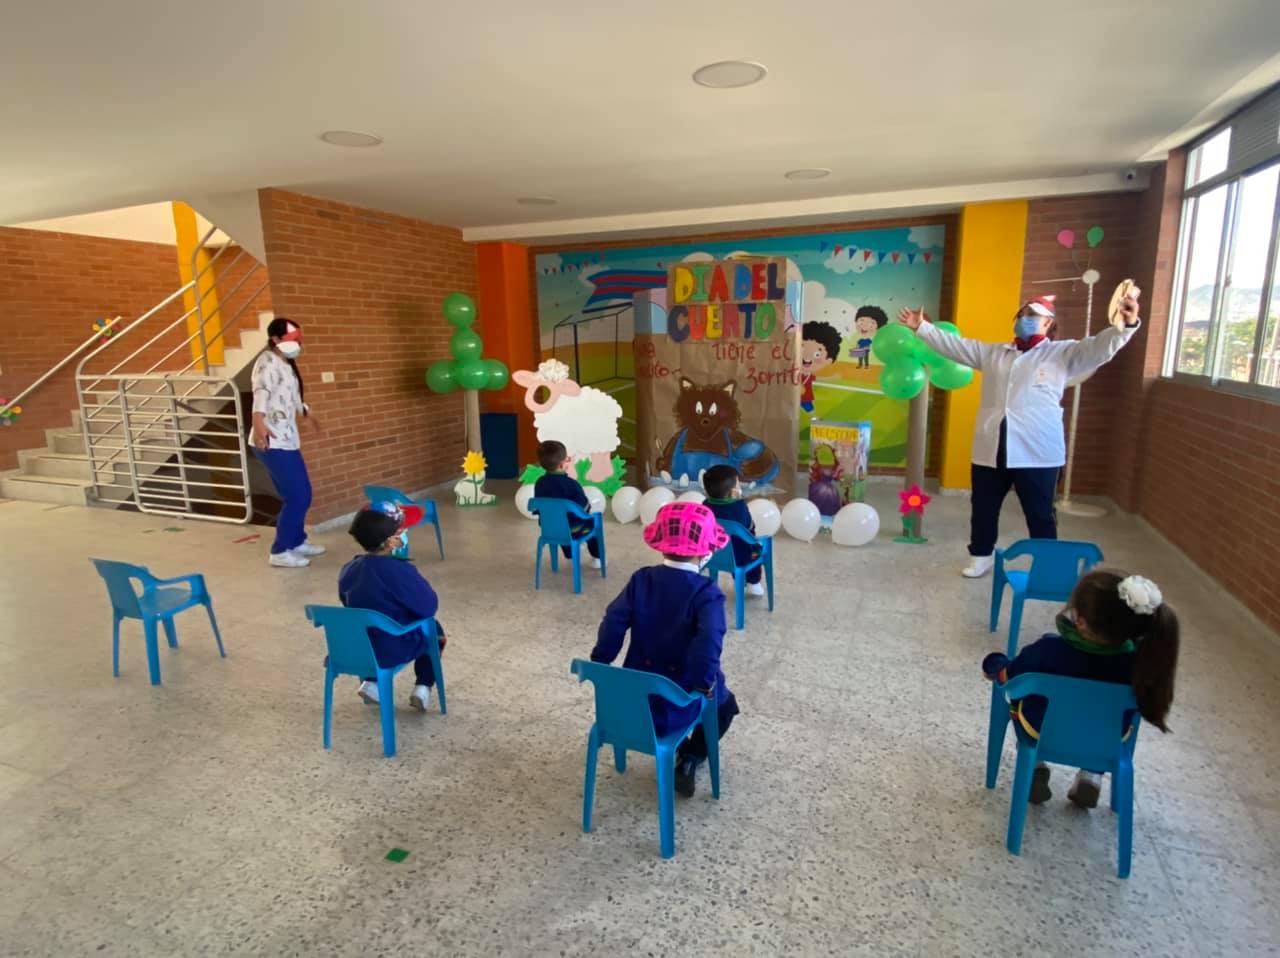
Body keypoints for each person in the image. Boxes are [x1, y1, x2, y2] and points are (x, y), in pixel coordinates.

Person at [898, 290, 1141, 578]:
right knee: (984, 507)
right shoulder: (994, 353)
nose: (1025, 319)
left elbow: (1100, 348)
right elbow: (956, 347)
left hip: (1037, 451)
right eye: (1022, 314)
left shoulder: (1063, 353)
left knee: (1039, 513)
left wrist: (1125, 326)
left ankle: (1047, 565)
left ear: (1048, 323)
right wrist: (922, 327)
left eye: (1032, 315)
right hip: (992, 447)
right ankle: (981, 555)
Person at [982, 569, 1179, 808]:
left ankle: (1035, 766)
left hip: (1044, 733)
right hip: (1105, 741)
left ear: (1081, 622)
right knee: (1103, 720)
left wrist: (995, 664)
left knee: (1022, 699)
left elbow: (1009, 678)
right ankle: (1091, 776)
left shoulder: (1048, 650)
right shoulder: (1140, 664)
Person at [592, 501, 738, 798]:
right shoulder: (707, 593)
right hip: (678, 700)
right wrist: (703, 682)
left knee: (695, 694)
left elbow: (614, 620)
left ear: (661, 544)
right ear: (706, 551)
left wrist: (601, 660)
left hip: (633, 698)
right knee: (725, 706)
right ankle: (690, 757)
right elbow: (709, 640)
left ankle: (677, 748)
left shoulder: (641, 579)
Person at [339, 502, 447, 712]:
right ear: (391, 541)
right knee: (434, 630)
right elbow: (428, 607)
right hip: (392, 646)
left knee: (375, 623)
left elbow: (347, 602)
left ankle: (372, 682)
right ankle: (423, 687)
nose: (404, 533)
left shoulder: (349, 568)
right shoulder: (400, 571)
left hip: (359, 645)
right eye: (401, 530)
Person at [250, 318, 323, 568]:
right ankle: (280, 551)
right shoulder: (266, 362)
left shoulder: (286, 363)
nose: (298, 344)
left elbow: (291, 396)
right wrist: (258, 422)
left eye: (298, 339)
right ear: (275, 339)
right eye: (293, 339)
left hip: (287, 439)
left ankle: (296, 540)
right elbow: (261, 392)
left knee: (299, 494)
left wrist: (307, 413)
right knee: (298, 496)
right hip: (271, 440)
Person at [532, 440, 601, 568]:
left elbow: (537, 508)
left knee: (560, 522)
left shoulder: (540, 483)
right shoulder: (571, 484)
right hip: (573, 529)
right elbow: (584, 507)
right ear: (562, 464)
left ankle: (570, 554)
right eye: (567, 459)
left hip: (549, 529)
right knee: (592, 524)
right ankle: (598, 558)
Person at [702, 463, 765, 597]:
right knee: (756, 548)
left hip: (713, 554)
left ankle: (738, 580)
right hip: (741, 556)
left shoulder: (705, 505)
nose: (740, 487)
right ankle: (753, 582)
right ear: (733, 492)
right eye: (738, 485)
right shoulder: (739, 506)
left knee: (733, 544)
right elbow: (749, 527)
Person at [799, 321, 841, 413]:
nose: (807, 359)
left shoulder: (808, 375)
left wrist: (831, 378)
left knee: (809, 409)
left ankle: (813, 416)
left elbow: (817, 378)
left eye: (817, 355)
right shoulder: (794, 372)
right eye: (802, 349)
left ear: (828, 360)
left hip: (805, 398)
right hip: (795, 397)